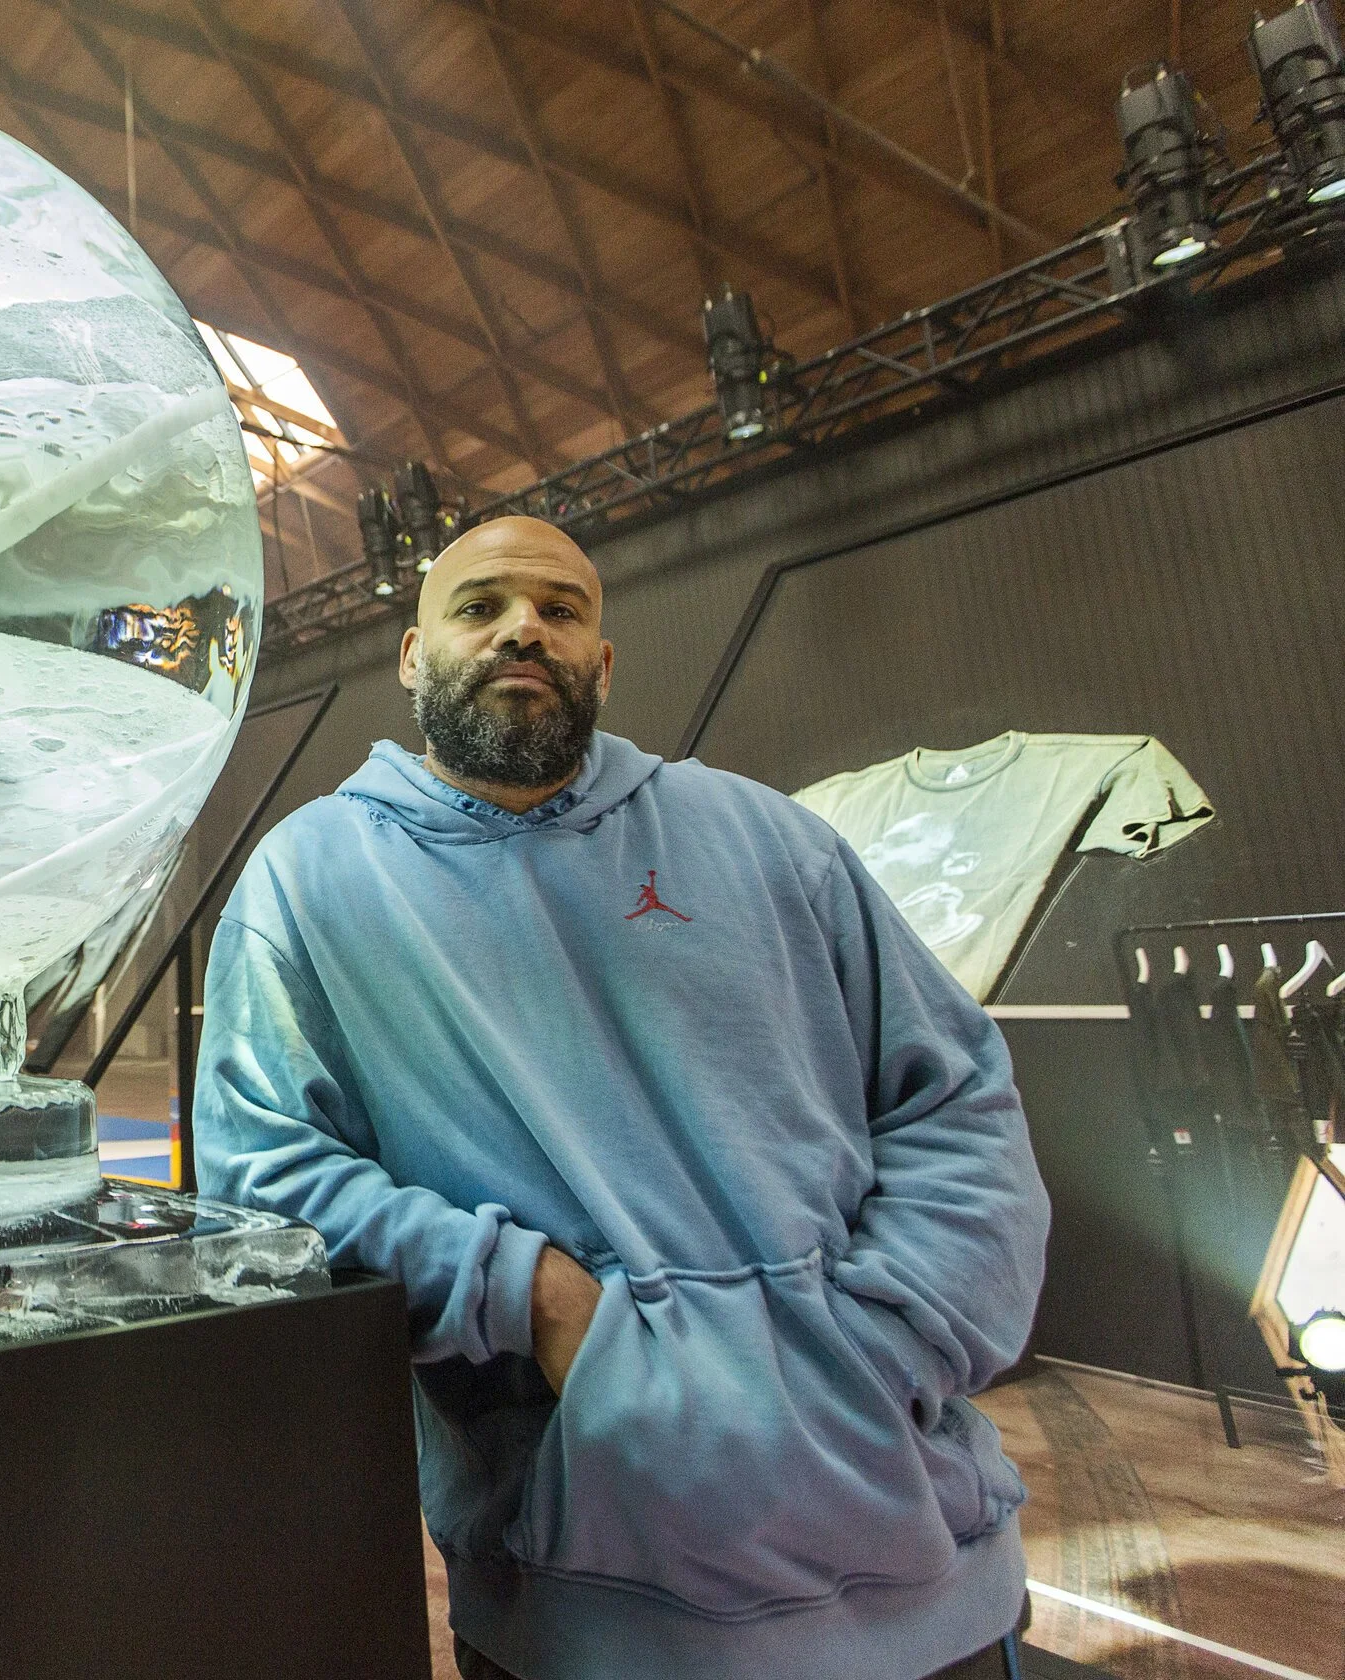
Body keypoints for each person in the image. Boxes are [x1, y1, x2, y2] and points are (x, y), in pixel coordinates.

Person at [195, 516, 1049, 1680]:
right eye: (480, 605)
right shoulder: (308, 880)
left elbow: (952, 1099)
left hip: (934, 1591)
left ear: (602, 662)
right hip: (584, 1614)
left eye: (559, 609)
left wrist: (889, 1341)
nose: (521, 630)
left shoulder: (768, 839)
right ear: (410, 656)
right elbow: (265, 1177)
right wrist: (531, 1299)